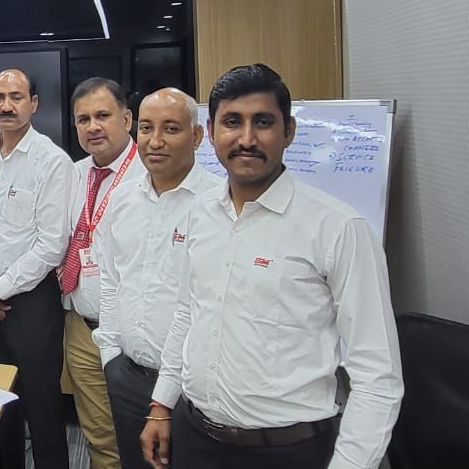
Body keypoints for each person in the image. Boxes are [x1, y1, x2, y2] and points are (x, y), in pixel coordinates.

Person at [142, 65, 403, 469]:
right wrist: (162, 404)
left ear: (289, 131)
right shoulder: (199, 214)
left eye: (263, 122)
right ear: (210, 132)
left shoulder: (338, 228)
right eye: (232, 122)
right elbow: (187, 314)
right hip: (196, 438)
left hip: (288, 451)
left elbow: (377, 375)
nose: (246, 139)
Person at [92, 88, 221, 469]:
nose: (155, 141)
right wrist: (110, 357)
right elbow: (111, 281)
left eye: (171, 128)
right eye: (146, 128)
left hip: (194, 388)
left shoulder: (218, 204)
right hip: (128, 374)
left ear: (197, 136)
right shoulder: (122, 199)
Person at [0, 69, 74, 469]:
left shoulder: (52, 162)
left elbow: (51, 246)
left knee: (42, 409)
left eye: (16, 97)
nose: (6, 106)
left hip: (30, 302)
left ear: (34, 104)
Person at [61, 76, 145, 469]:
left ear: (126, 119)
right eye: (83, 119)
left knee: (147, 441)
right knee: (100, 438)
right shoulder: (72, 174)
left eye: (102, 116)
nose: (93, 127)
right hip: (81, 326)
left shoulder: (150, 173)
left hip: (134, 332)